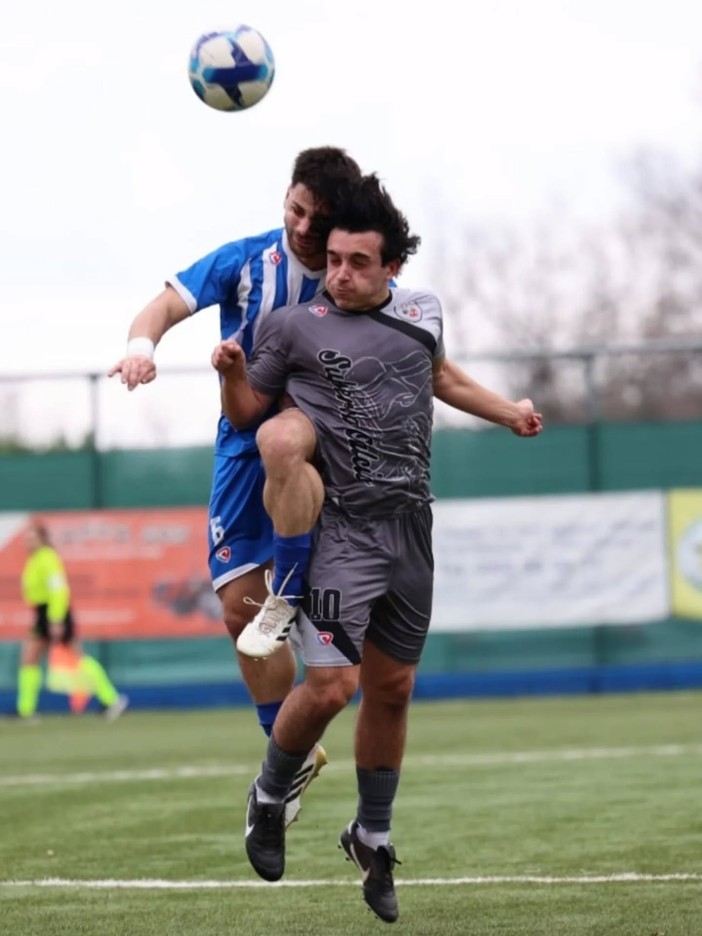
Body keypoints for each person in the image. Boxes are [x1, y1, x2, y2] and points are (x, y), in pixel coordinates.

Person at [211, 174, 542, 923]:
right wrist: (232, 373)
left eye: (358, 261)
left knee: (392, 690)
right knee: (333, 688)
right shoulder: (294, 326)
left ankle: (372, 835)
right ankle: (269, 793)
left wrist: (509, 412)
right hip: (341, 535)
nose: (340, 274)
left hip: (410, 529)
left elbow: (441, 377)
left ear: (393, 267)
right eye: (332, 259)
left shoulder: (423, 311)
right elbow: (249, 413)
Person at [108, 146, 366, 825]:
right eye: (297, 209)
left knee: (294, 459)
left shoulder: (351, 275)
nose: (305, 227)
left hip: (321, 440)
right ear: (287, 196)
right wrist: (142, 348)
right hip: (241, 439)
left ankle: (304, 603)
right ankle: (289, 748)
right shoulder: (248, 262)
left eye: (319, 217)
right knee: (237, 612)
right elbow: (163, 306)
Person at [17, 521, 129, 721]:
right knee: (29, 657)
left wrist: (56, 619)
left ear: (42, 539)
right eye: (27, 538)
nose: (29, 542)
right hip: (41, 613)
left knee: (77, 658)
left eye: (33, 538)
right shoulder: (34, 559)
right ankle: (26, 710)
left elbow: (59, 590)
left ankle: (112, 699)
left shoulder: (48, 558)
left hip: (54, 613)